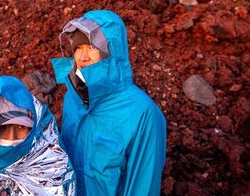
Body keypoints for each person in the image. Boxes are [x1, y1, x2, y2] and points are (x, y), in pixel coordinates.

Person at [51, 10, 166, 196]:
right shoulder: (73, 98)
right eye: (78, 48)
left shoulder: (142, 113)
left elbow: (143, 187)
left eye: (92, 48)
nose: (82, 57)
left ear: (112, 53)